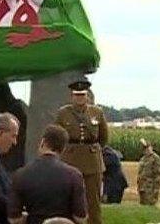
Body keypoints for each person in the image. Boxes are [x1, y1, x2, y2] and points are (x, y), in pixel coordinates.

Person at [8, 125, 87, 224]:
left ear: (43, 142)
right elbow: (80, 218)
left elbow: (13, 219)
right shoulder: (74, 175)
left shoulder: (20, 174)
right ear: (63, 148)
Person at [55, 79, 107, 224]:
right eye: (77, 95)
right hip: (70, 160)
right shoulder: (63, 113)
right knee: (67, 197)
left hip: (92, 161)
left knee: (93, 201)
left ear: (87, 96)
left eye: (82, 95)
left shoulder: (97, 112)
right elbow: (57, 135)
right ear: (72, 96)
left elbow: (103, 137)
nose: (80, 98)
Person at [137, 138, 160, 206]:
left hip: (150, 188)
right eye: (145, 148)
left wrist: (156, 189)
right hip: (142, 188)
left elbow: (158, 175)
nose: (146, 150)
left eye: (148, 147)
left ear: (151, 147)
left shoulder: (155, 158)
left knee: (150, 206)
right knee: (143, 207)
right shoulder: (143, 159)